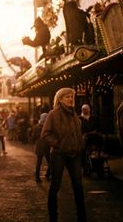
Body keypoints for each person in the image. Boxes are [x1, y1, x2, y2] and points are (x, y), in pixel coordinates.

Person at [41, 87, 86, 222]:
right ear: (60, 99)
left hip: (75, 154)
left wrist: (80, 145)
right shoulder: (53, 114)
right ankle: (53, 217)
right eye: (67, 96)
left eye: (72, 96)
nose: (71, 99)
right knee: (55, 185)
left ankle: (82, 216)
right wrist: (59, 144)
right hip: (59, 154)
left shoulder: (74, 115)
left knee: (78, 185)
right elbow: (45, 134)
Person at [31, 113, 51, 182]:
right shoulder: (48, 126)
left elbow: (33, 137)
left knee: (39, 162)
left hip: (39, 146)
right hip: (47, 146)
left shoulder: (36, 127)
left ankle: (37, 177)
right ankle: (48, 174)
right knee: (50, 162)